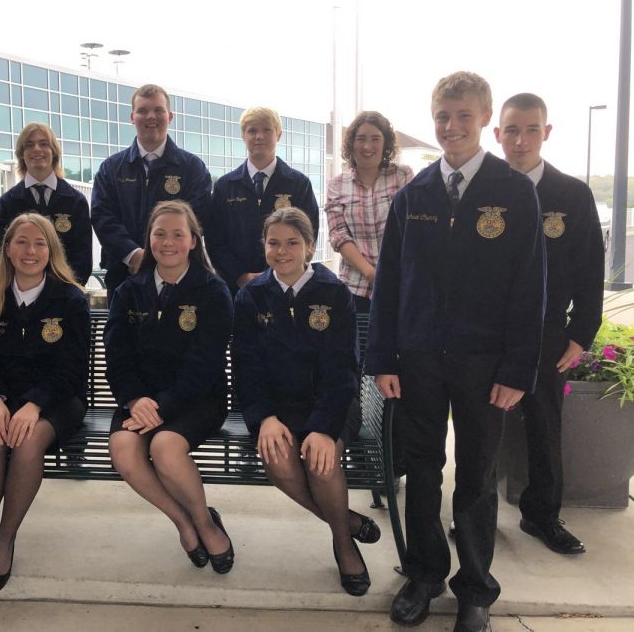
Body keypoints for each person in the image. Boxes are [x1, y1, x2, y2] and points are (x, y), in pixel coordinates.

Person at [366, 71, 545, 632]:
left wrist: (518, 368)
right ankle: (423, 575)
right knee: (421, 470)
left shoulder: (514, 193)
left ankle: (475, 590)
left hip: (485, 365)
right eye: (443, 116)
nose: (451, 127)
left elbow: (529, 289)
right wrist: (383, 359)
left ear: (485, 119)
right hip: (418, 360)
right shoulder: (414, 194)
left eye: (464, 116)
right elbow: (388, 284)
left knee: (475, 475)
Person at [231, 207, 372, 596]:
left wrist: (324, 429)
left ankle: (343, 545)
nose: (282, 251)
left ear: (309, 246)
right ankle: (345, 520)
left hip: (329, 402)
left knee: (321, 463)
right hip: (277, 409)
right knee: (278, 460)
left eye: (292, 242)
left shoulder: (333, 293)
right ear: (264, 246)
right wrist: (265, 419)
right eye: (273, 243)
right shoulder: (251, 296)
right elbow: (247, 368)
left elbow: (342, 370)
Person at [0, 213, 89, 595]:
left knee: (28, 441)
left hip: (59, 401)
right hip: (4, 399)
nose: (30, 251)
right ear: (8, 249)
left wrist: (34, 405)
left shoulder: (70, 299)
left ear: (51, 250)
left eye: (39, 243)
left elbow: (72, 369)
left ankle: (6, 539)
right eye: (22, 242)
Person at [494, 92, 604, 554]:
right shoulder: (484, 191)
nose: (521, 141)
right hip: (489, 333)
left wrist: (581, 334)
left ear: (546, 132)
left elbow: (590, 269)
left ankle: (542, 516)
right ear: (497, 134)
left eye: (531, 130)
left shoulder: (571, 195)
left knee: (544, 426)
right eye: (512, 131)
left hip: (546, 334)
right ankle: (474, 514)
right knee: (483, 431)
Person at [105, 200, 235, 574]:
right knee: (124, 449)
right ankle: (184, 521)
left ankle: (206, 522)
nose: (168, 242)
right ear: (149, 239)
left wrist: (161, 406)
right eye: (159, 234)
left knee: (164, 447)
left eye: (178, 234)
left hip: (197, 399)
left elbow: (204, 364)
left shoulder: (213, 292)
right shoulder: (129, 291)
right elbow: (118, 355)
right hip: (140, 398)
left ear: (193, 241)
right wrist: (134, 398)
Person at [91, 84, 211, 301]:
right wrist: (133, 255)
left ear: (170, 116)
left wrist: (166, 256)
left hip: (181, 277)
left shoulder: (193, 168)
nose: (151, 116)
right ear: (132, 117)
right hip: (124, 274)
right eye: (143, 111)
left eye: (158, 110)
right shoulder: (111, 168)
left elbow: (198, 216)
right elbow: (102, 217)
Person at [206, 106, 318, 295]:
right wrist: (239, 276)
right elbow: (214, 239)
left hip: (286, 286)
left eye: (267, 129)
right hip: (237, 289)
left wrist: (281, 274)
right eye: (252, 130)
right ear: (243, 136)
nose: (259, 136)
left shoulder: (298, 184)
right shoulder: (225, 186)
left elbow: (309, 233)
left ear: (279, 134)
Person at [325, 111, 413, 314]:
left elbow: (412, 228)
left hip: (399, 283)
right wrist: (371, 273)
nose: (367, 146)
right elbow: (338, 235)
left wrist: (390, 273)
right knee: (360, 343)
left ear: (386, 144)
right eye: (361, 139)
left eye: (375, 138)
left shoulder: (402, 176)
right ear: (351, 143)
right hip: (355, 289)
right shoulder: (337, 184)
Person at [0, 123, 92, 286]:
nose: (37, 149)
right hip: (20, 297)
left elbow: (82, 258)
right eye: (29, 145)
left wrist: (64, 292)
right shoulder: (7, 203)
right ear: (21, 154)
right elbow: (0, 254)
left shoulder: (76, 201)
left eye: (44, 144)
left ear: (54, 152)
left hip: (64, 297)